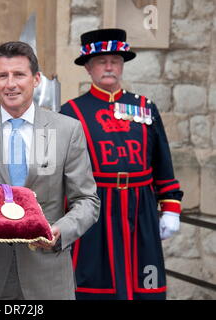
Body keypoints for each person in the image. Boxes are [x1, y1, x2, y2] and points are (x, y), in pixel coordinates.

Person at [0, 41, 100, 300]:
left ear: (36, 79)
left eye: (19, 74)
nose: (11, 84)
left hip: (48, 273)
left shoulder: (67, 130)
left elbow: (87, 201)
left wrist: (61, 230)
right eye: (2, 76)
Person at [60, 29, 184, 300]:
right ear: (89, 68)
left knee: (146, 286)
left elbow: (162, 160)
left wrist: (171, 206)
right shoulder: (71, 112)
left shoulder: (145, 107)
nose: (108, 66)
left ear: (122, 65)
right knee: (93, 287)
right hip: (95, 212)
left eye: (115, 60)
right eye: (101, 61)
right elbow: (61, 173)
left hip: (141, 211)